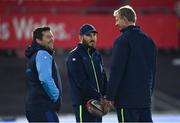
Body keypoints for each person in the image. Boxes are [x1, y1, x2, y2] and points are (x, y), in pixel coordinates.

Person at [106, 5, 157, 122]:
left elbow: (116, 71)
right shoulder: (149, 41)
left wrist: (110, 96)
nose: (116, 23)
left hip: (126, 102)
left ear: (124, 19)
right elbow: (153, 71)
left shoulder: (122, 40)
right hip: (145, 100)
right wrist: (148, 94)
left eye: (117, 19)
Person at [66, 24, 108, 122]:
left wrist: (106, 96)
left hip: (97, 104)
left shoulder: (97, 55)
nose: (92, 38)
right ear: (80, 37)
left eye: (94, 35)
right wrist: (99, 97)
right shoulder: (74, 55)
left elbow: (103, 77)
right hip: (83, 104)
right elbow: (81, 82)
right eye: (89, 35)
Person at [25, 26, 62, 122]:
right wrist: (57, 97)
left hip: (33, 107)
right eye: (48, 37)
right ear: (38, 40)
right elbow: (45, 79)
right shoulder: (42, 54)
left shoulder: (32, 56)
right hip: (44, 107)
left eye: (52, 36)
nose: (52, 39)